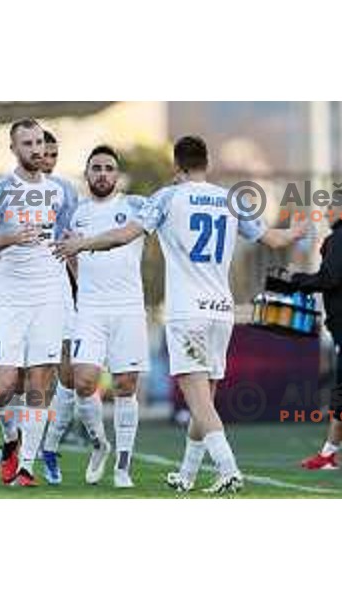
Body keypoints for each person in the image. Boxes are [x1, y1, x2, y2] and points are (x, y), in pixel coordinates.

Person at [53, 135, 306, 494]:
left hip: (189, 313)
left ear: (176, 167)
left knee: (198, 402)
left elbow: (125, 235)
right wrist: (299, 229)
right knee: (206, 402)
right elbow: (275, 240)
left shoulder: (168, 197)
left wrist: (81, 243)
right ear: (208, 163)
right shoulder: (229, 200)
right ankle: (186, 475)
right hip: (222, 312)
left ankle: (228, 467)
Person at [0, 118, 72, 486]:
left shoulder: (62, 191)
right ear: (13, 148)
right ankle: (11, 440)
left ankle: (26, 467)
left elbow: (67, 238)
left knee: (39, 382)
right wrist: (11, 236)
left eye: (39, 143)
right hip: (10, 298)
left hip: (48, 295)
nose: (35, 150)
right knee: (1, 386)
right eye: (26, 144)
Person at [49, 145, 150, 488]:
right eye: (96, 168)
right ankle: (99, 445)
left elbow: (121, 239)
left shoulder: (135, 206)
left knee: (125, 386)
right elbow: (70, 257)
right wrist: (84, 287)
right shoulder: (76, 213)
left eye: (109, 168)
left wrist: (85, 246)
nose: (103, 174)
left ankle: (123, 468)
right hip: (90, 309)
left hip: (128, 308)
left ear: (117, 175)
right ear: (87, 174)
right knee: (84, 381)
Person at [37, 129, 81, 484]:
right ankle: (17, 444)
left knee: (69, 372)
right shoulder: (10, 188)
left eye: (53, 154)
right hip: (22, 295)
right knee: (25, 378)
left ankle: (48, 447)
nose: (47, 160)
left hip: (59, 290)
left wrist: (82, 285)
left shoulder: (67, 191)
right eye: (42, 152)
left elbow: (70, 243)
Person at [288, 208, 342, 469]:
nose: (329, 212)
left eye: (334, 206)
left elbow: (330, 278)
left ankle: (328, 454)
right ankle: (328, 454)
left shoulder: (339, 238)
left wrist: (295, 280)